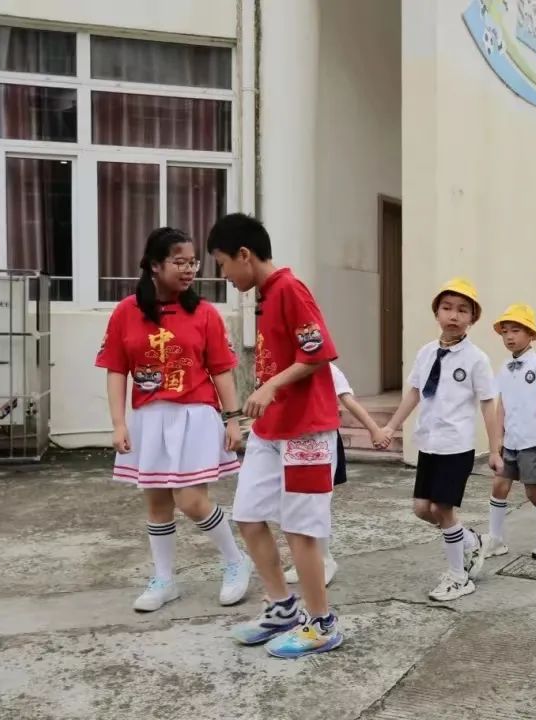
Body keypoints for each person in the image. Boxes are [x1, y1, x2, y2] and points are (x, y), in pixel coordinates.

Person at [209, 213, 343, 658]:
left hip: (306, 428)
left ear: (245, 255)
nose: (223, 275)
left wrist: (268, 387)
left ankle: (321, 623)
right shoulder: (266, 296)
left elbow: (319, 352)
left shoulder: (289, 289)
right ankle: (282, 607)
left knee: (301, 529)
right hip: (271, 429)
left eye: (223, 263)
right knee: (248, 514)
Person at [96, 227, 250, 613]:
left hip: (194, 415)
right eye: (179, 262)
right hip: (148, 417)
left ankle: (236, 561)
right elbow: (116, 370)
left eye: (192, 262)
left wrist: (233, 420)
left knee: (192, 500)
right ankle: (164, 579)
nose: (189, 270)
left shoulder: (205, 313)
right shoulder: (126, 312)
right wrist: (118, 423)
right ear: (153, 265)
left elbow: (222, 371)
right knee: (157, 502)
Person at [378, 278, 500, 601]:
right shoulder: (426, 353)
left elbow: (489, 404)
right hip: (429, 443)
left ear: (472, 319)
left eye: (463, 310)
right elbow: (415, 392)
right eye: (447, 308)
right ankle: (471, 542)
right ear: (437, 313)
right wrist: (392, 426)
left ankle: (459, 577)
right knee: (422, 509)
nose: (454, 315)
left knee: (442, 509)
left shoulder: (477, 359)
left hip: (456, 445)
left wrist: (496, 449)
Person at [283, 362, 388, 587]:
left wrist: (374, 429)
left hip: (321, 442)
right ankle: (305, 560)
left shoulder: (326, 368)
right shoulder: (280, 367)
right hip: (290, 441)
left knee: (317, 503)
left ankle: (324, 560)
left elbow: (348, 400)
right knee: (293, 505)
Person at [482, 304, 536, 561]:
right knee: (499, 485)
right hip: (511, 442)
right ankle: (496, 539)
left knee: (534, 492)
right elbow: (501, 407)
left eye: (516, 330)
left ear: (530, 333)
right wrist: (496, 443)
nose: (509, 336)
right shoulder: (504, 368)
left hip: (534, 441)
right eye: (505, 332)